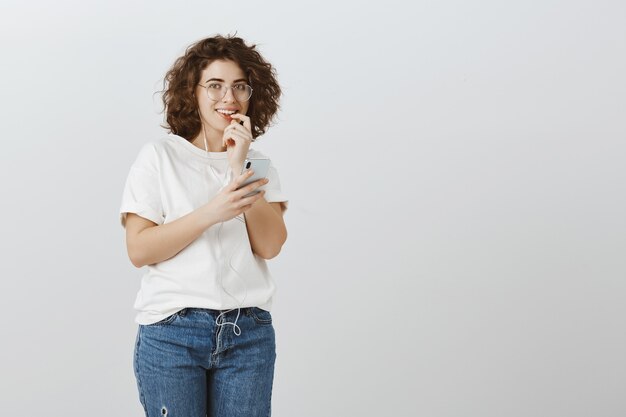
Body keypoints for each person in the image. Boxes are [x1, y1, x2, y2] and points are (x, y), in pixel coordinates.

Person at [119, 34, 288, 417]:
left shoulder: (257, 163)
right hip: (172, 332)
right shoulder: (160, 156)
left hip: (249, 333)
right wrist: (213, 211)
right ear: (192, 92)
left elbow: (271, 245)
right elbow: (139, 249)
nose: (228, 97)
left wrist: (238, 166)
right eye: (215, 85)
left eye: (239, 86)